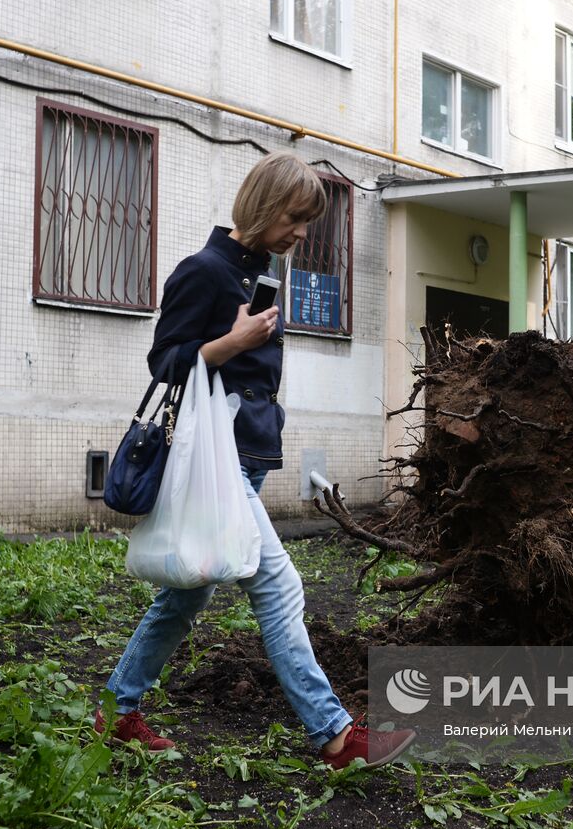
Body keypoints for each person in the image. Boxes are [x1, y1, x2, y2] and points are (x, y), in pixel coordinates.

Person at [97, 151, 416, 770]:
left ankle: (117, 709)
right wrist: (230, 344)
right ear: (265, 207)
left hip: (244, 457)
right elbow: (165, 364)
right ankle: (334, 735)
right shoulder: (205, 271)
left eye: (307, 222)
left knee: (184, 597)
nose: (301, 234)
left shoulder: (257, 273)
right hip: (215, 463)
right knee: (278, 582)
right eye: (295, 219)